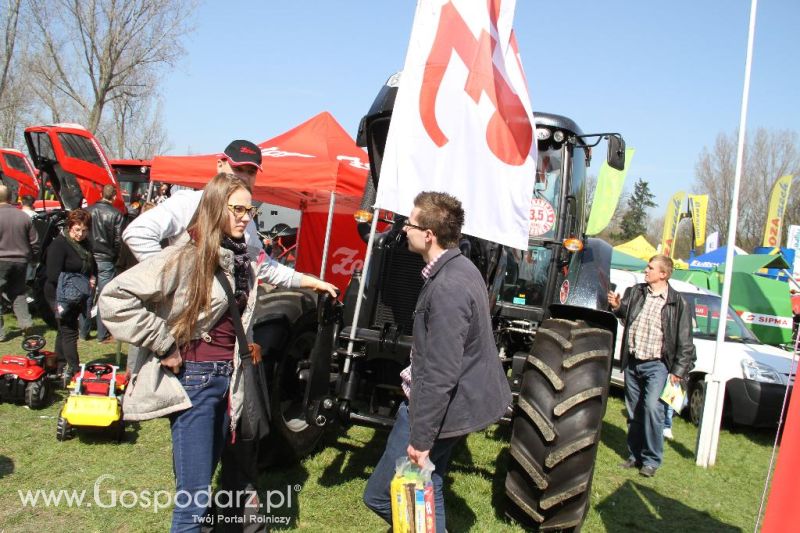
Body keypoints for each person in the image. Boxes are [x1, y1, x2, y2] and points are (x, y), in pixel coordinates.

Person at [107, 173, 335, 531]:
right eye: (238, 209)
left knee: (209, 483)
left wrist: (314, 282)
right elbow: (115, 299)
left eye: (250, 209)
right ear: (216, 209)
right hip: (195, 383)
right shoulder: (187, 257)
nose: (247, 216)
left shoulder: (240, 257)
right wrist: (164, 342)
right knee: (193, 500)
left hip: (228, 381)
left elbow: (273, 272)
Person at [363, 191, 512, 532]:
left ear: (428, 234)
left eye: (410, 224)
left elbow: (442, 372)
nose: (403, 230)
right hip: (449, 410)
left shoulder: (448, 286)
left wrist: (421, 439)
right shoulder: (461, 266)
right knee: (431, 484)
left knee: (382, 497)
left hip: (431, 414)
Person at [608, 254, 695, 477]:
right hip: (633, 361)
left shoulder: (678, 302)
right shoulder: (636, 292)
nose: (646, 271)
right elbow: (626, 315)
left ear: (663, 274)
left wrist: (678, 370)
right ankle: (635, 455)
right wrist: (618, 306)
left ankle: (652, 460)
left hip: (658, 365)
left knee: (651, 408)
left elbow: (685, 341)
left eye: (650, 268)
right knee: (633, 410)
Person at [45, 209, 96, 378]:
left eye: (84, 230)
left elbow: (91, 266)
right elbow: (52, 275)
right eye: (77, 230)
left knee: (64, 330)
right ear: (69, 227)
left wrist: (91, 276)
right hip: (59, 294)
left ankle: (58, 366)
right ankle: (74, 370)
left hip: (77, 294)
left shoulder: (86, 245)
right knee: (69, 331)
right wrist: (78, 279)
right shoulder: (59, 245)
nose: (80, 234)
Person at [84, 184, 124, 343]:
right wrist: (114, 256)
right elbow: (118, 240)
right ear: (114, 196)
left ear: (101, 193)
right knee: (103, 296)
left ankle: (83, 331)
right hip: (106, 258)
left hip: (88, 256)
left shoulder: (88, 211)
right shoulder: (116, 214)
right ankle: (102, 334)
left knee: (86, 294)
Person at [0, 185, 39, 341]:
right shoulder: (23, 216)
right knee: (18, 294)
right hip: (21, 261)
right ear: (11, 198)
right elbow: (35, 242)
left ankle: (0, 333)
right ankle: (26, 323)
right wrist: (33, 259)